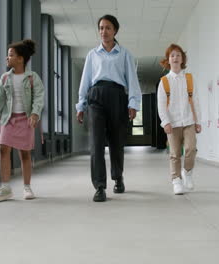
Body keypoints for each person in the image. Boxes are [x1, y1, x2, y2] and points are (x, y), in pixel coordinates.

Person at [75, 14, 142, 202]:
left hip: (117, 95)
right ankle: (99, 186)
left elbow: (132, 81)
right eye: (101, 28)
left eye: (108, 28)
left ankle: (118, 176)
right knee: (96, 142)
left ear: (115, 31)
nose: (104, 31)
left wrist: (133, 104)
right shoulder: (92, 54)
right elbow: (85, 81)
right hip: (96, 96)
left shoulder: (124, 54)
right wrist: (81, 105)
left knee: (116, 141)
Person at [0, 39, 45, 202]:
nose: (7, 58)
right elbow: (0, 100)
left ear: (20, 59)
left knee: (25, 153)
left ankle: (27, 187)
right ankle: (5, 188)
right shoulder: (5, 78)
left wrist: (35, 114)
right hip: (8, 119)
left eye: (10, 55)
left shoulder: (32, 77)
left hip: (26, 119)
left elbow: (39, 97)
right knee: (3, 149)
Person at [157, 44, 202, 195]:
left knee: (191, 149)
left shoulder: (189, 78)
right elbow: (161, 104)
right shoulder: (164, 81)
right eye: (172, 55)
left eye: (178, 55)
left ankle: (187, 172)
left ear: (182, 59)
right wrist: (165, 122)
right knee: (175, 154)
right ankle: (176, 181)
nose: (175, 58)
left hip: (189, 121)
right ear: (168, 60)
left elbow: (195, 101)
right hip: (173, 123)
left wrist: (198, 121)